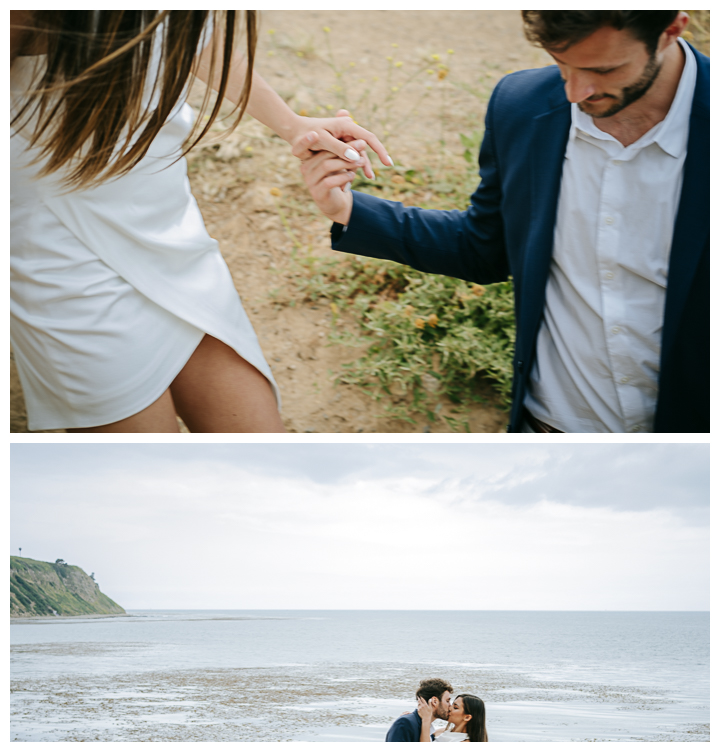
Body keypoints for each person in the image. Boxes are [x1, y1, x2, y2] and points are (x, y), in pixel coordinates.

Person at [295, 10, 709, 434]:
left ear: (671, 30)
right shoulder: (522, 104)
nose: (574, 91)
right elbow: (483, 249)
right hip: (547, 433)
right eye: (561, 63)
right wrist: (346, 208)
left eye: (603, 70)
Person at [10, 10, 390, 433]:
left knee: (260, 444)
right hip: (62, 254)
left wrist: (292, 124)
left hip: (167, 224)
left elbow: (188, 34)